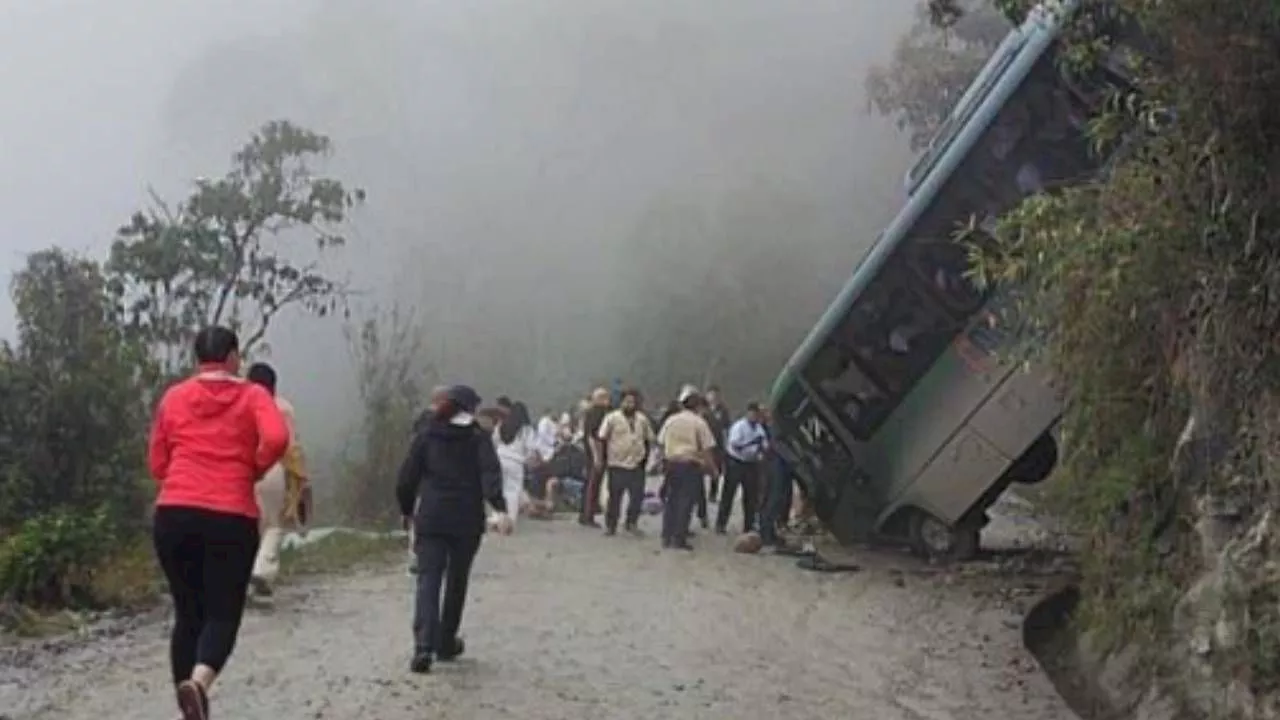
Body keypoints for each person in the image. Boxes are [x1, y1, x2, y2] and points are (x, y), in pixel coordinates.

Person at [148, 326, 290, 720]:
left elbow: (157, 462)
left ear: (198, 358)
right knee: (223, 612)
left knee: (187, 612)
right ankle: (198, 684)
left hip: (174, 514)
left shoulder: (174, 397)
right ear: (232, 356)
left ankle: (187, 709)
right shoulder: (253, 395)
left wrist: (180, 481)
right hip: (230, 515)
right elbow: (277, 438)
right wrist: (254, 468)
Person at [395, 384, 514, 674]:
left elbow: (406, 478)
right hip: (466, 519)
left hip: (432, 517)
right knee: (457, 579)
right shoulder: (478, 438)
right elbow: (490, 474)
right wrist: (500, 508)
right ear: (469, 409)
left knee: (428, 580)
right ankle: (446, 641)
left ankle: (423, 645)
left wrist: (407, 510)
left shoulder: (426, 435)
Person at [245, 362, 312, 599]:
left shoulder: (240, 405)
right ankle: (262, 570)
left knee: (249, 524)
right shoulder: (283, 409)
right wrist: (302, 479)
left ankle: (242, 574)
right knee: (274, 524)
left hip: (244, 470)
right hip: (275, 470)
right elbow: (292, 447)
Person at [656, 387, 717, 551]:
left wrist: (662, 461)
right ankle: (679, 537)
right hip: (690, 465)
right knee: (686, 502)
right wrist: (712, 469)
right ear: (698, 407)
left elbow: (661, 442)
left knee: (671, 500)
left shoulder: (671, 420)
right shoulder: (699, 422)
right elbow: (706, 448)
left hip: (671, 463)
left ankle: (666, 535)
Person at [596, 388, 655, 536]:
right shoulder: (612, 418)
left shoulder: (642, 419)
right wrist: (601, 458)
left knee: (636, 496)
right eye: (627, 401)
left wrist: (645, 460)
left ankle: (631, 523)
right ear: (621, 402)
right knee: (615, 497)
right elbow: (601, 438)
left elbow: (649, 439)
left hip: (637, 464)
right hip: (616, 463)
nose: (630, 404)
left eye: (632, 402)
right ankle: (611, 525)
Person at [407, 386, 451, 574]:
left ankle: (416, 557)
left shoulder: (419, 422)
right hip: (436, 481)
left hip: (420, 480)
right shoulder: (442, 423)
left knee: (417, 520)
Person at [716, 402, 769, 535]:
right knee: (729, 493)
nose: (754, 416)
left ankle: (748, 525)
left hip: (751, 463)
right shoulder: (739, 426)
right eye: (752, 413)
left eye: (756, 414)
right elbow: (735, 445)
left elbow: (765, 445)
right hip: (736, 461)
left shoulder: (759, 428)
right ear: (748, 413)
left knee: (751, 496)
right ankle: (721, 524)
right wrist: (752, 443)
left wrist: (761, 448)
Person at [493, 401, 538, 530]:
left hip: (500, 459)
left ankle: (497, 519)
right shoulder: (526, 430)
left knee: (500, 491)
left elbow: (495, 441)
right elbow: (531, 448)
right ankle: (509, 522)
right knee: (512, 492)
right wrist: (530, 460)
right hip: (516, 462)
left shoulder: (501, 425)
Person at [579, 387, 611, 528]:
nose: (607, 400)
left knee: (589, 485)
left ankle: (585, 513)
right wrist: (597, 457)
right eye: (604, 397)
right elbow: (593, 437)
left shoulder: (590, 413)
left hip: (590, 454)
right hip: (595, 455)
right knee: (593, 485)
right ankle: (588, 515)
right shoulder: (597, 413)